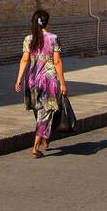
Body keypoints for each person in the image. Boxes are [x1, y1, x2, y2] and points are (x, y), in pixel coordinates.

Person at [14, 8, 67, 159]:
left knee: (39, 111)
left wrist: (18, 79)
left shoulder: (28, 39)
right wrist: (62, 83)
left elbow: (24, 60)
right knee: (45, 113)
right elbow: (56, 62)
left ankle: (44, 138)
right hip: (48, 82)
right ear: (47, 22)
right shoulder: (53, 38)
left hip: (32, 80)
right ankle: (35, 148)